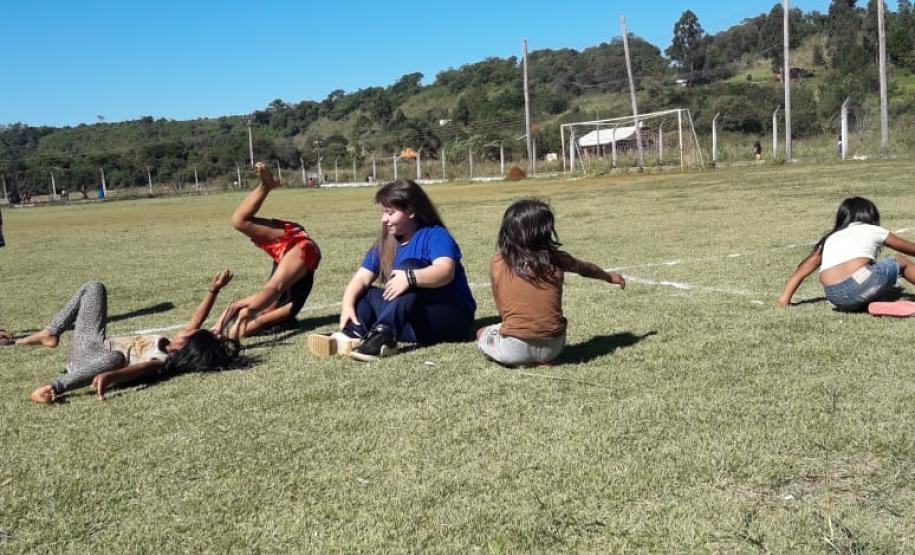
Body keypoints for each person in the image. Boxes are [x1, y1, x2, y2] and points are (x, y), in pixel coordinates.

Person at [312, 179, 476, 361]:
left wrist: (410, 278)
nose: (384, 219)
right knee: (364, 292)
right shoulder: (385, 244)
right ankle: (353, 334)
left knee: (410, 266)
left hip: (451, 320)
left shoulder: (435, 235)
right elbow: (360, 279)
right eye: (383, 213)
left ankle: (384, 335)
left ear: (411, 211)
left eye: (390, 213)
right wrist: (347, 306)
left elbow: (446, 272)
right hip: (416, 325)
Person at [17, 270, 240, 402]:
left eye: (191, 333)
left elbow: (139, 369)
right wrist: (214, 290)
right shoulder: (172, 340)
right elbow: (197, 318)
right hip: (91, 344)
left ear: (187, 346)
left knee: (116, 358)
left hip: (92, 363)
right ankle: (51, 332)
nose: (189, 329)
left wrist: (110, 377)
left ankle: (53, 387)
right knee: (94, 288)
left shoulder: (160, 359)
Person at [476, 199, 625, 367]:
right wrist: (608, 276)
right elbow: (587, 269)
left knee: (481, 332)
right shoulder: (556, 258)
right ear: (545, 230)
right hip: (554, 346)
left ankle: (523, 361)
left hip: (514, 349)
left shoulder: (498, 262)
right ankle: (542, 359)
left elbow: (502, 309)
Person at [214, 161, 321, 337]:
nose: (255, 313)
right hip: (303, 252)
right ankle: (266, 185)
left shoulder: (266, 305)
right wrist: (226, 331)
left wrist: (218, 331)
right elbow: (262, 312)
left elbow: (235, 307)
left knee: (239, 221)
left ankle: (265, 186)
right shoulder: (286, 309)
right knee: (273, 289)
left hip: (288, 249)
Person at [778, 196, 915, 311]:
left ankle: (869, 302)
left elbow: (801, 271)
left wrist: (784, 301)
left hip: (835, 296)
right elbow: (910, 249)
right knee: (899, 260)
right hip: (859, 285)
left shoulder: (830, 238)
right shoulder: (872, 229)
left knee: (867, 271)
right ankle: (870, 298)